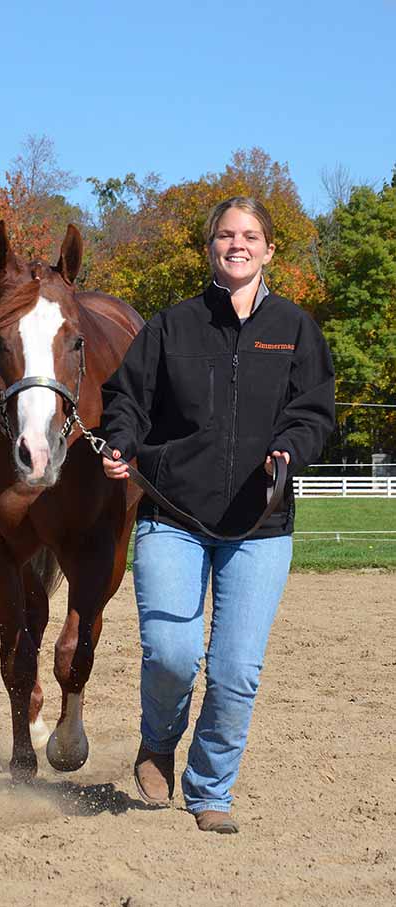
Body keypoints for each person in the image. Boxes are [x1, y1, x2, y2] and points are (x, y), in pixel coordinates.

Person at [100, 197, 335, 834]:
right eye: (227, 235)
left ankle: (210, 789)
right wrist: (120, 441)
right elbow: (126, 399)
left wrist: (291, 451)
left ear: (268, 249)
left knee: (235, 670)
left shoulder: (295, 329)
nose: (238, 244)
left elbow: (313, 412)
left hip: (260, 524)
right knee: (173, 654)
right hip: (171, 515)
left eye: (250, 235)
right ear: (210, 247)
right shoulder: (171, 327)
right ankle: (157, 742)